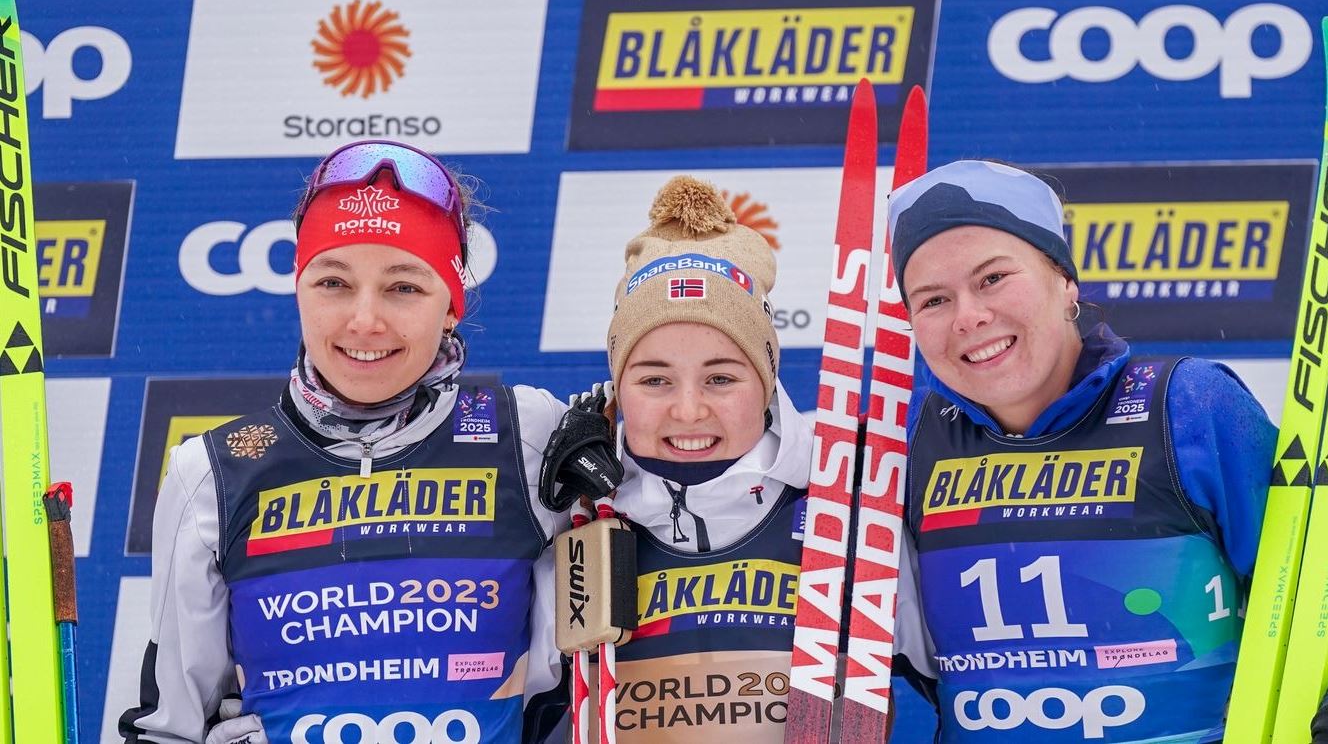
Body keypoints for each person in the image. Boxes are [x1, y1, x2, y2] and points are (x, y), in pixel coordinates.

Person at [887, 160, 1328, 742]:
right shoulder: (905, 445)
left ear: (1064, 281)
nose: (969, 317)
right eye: (932, 301)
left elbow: (1327, 604)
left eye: (993, 279)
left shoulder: (1188, 406)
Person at [118, 140, 593, 744]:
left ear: (452, 304)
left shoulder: (526, 436)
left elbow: (581, 693)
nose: (365, 320)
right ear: (298, 288)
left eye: (404, 288)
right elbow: (169, 727)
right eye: (334, 283)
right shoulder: (213, 471)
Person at [540, 175, 811, 743]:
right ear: (617, 390)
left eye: (720, 377)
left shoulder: (845, 501)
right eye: (655, 379)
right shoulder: (569, 511)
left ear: (766, 384)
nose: (689, 410)